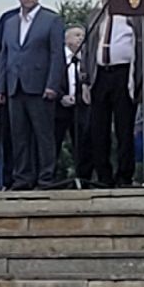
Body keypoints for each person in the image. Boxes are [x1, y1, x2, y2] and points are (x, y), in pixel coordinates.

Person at [0, 0, 67, 192]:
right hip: (15, 86)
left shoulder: (51, 20)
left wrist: (53, 85)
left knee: (43, 135)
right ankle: (22, 178)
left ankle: (46, 178)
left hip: (40, 86)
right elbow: (4, 56)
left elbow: (57, 55)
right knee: (19, 136)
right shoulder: (10, 23)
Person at [79, 0, 144, 190]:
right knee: (99, 129)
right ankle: (103, 175)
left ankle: (124, 174)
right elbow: (88, 48)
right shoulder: (96, 16)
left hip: (123, 74)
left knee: (124, 127)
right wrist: (85, 79)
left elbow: (139, 45)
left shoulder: (131, 16)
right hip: (100, 75)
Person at [57, 26, 86, 186]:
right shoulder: (58, 58)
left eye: (82, 35)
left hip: (80, 107)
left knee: (82, 144)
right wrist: (61, 96)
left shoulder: (86, 59)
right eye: (76, 35)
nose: (80, 38)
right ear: (66, 39)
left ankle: (83, 176)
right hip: (60, 108)